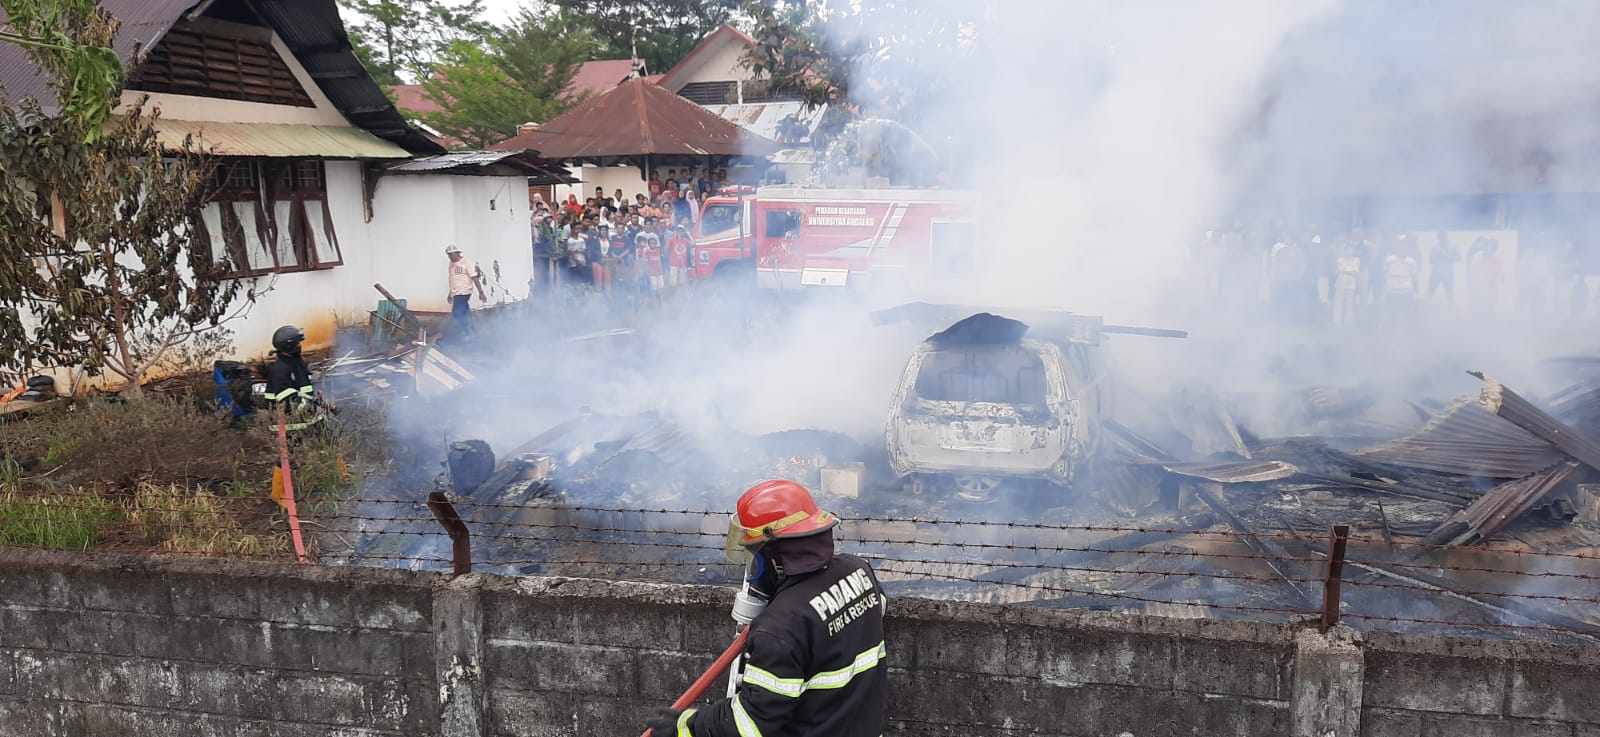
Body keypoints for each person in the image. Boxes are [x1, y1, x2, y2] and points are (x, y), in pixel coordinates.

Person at [646, 480, 887, 737]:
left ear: (775, 555)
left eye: (754, 555)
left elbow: (750, 725)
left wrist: (685, 727)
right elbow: (869, 612)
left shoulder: (780, 629)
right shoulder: (859, 571)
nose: (752, 568)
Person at [264, 325, 321, 430]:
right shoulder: (280, 369)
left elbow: (303, 387)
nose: (299, 346)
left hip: (305, 422)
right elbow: (284, 397)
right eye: (297, 343)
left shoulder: (294, 363)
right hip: (291, 429)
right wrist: (307, 404)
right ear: (290, 346)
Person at [445, 245, 486, 338]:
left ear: (457, 253)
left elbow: (474, 278)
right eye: (448, 255)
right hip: (456, 293)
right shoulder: (451, 264)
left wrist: (481, 292)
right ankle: (470, 331)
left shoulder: (466, 263)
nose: (450, 257)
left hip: (464, 292)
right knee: (464, 312)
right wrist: (450, 293)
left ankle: (464, 332)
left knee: (457, 313)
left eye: (451, 255)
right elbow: (453, 279)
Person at [1428, 230, 1459, 302]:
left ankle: (1450, 308)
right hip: (1435, 273)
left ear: (1446, 237)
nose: (1441, 240)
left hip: (1448, 273)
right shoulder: (1435, 248)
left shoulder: (1453, 246)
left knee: (1449, 293)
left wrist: (1448, 257)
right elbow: (1430, 260)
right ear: (1438, 238)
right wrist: (1437, 257)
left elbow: (1459, 258)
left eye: (1443, 237)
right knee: (1431, 292)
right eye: (1439, 238)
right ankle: (1429, 306)